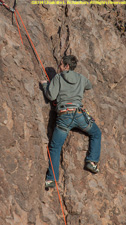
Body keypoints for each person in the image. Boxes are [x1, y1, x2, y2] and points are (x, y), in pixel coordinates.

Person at [40, 55, 101, 188]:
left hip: (64, 116)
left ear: (66, 66)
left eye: (61, 64)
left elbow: (51, 96)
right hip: (79, 116)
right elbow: (89, 85)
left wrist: (45, 85)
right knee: (96, 133)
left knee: (55, 147)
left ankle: (52, 179)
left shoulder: (58, 78)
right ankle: (92, 161)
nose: (59, 67)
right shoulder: (80, 78)